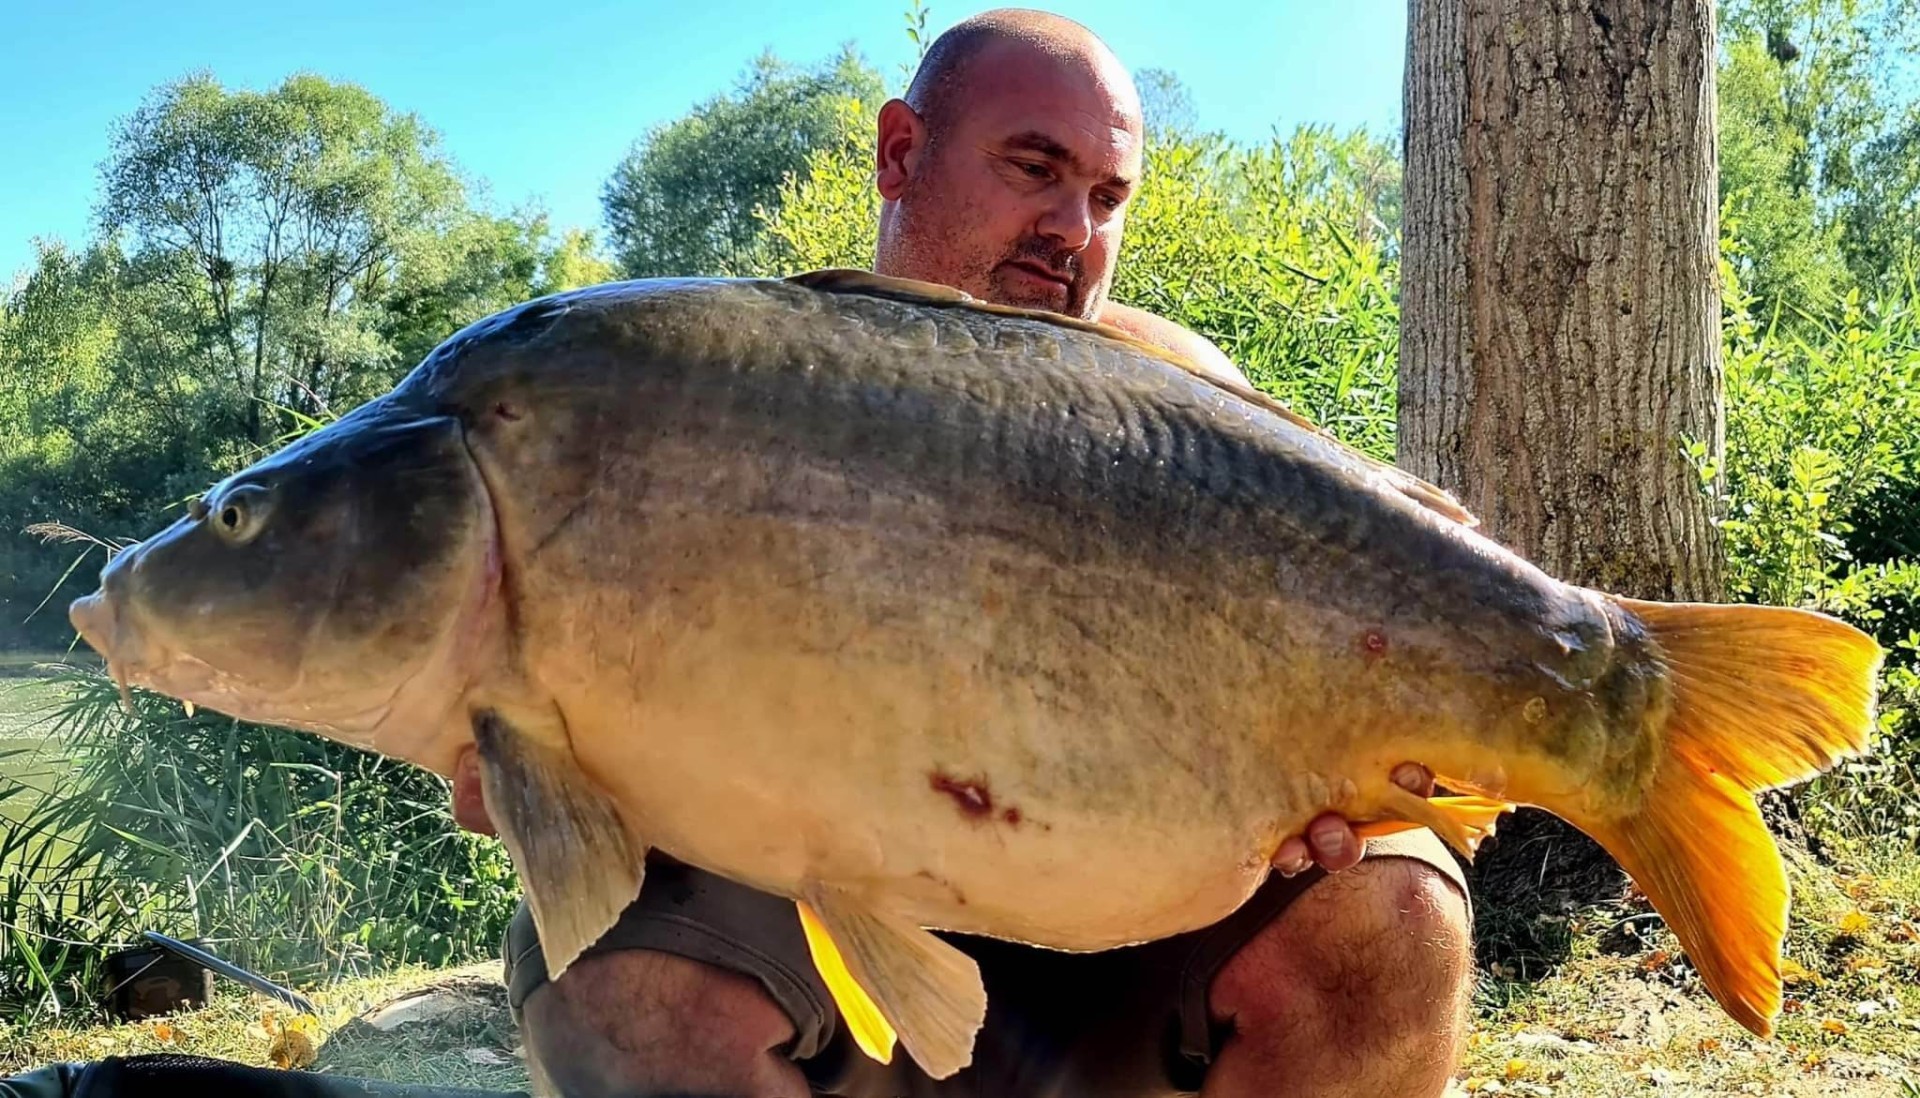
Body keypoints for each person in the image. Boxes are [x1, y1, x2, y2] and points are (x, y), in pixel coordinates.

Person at [450, 9, 1475, 1096]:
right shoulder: (741, 398)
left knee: (1395, 910)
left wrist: (1358, 767)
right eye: (1035, 167)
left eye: (1107, 197)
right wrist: (536, 770)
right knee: (621, 983)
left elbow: (1373, 631)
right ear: (901, 153)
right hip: (819, 928)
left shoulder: (1189, 400)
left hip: (1127, 935)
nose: (1072, 227)